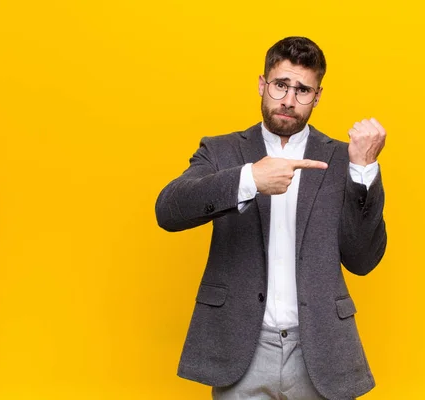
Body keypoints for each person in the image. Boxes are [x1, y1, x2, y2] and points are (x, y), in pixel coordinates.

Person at [155, 36, 387, 400]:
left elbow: (362, 259)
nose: (289, 100)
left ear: (318, 95)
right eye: (281, 85)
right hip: (241, 348)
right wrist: (249, 179)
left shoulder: (344, 158)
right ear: (263, 84)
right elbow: (169, 210)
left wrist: (364, 170)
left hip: (320, 350)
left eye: (303, 90)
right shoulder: (221, 151)